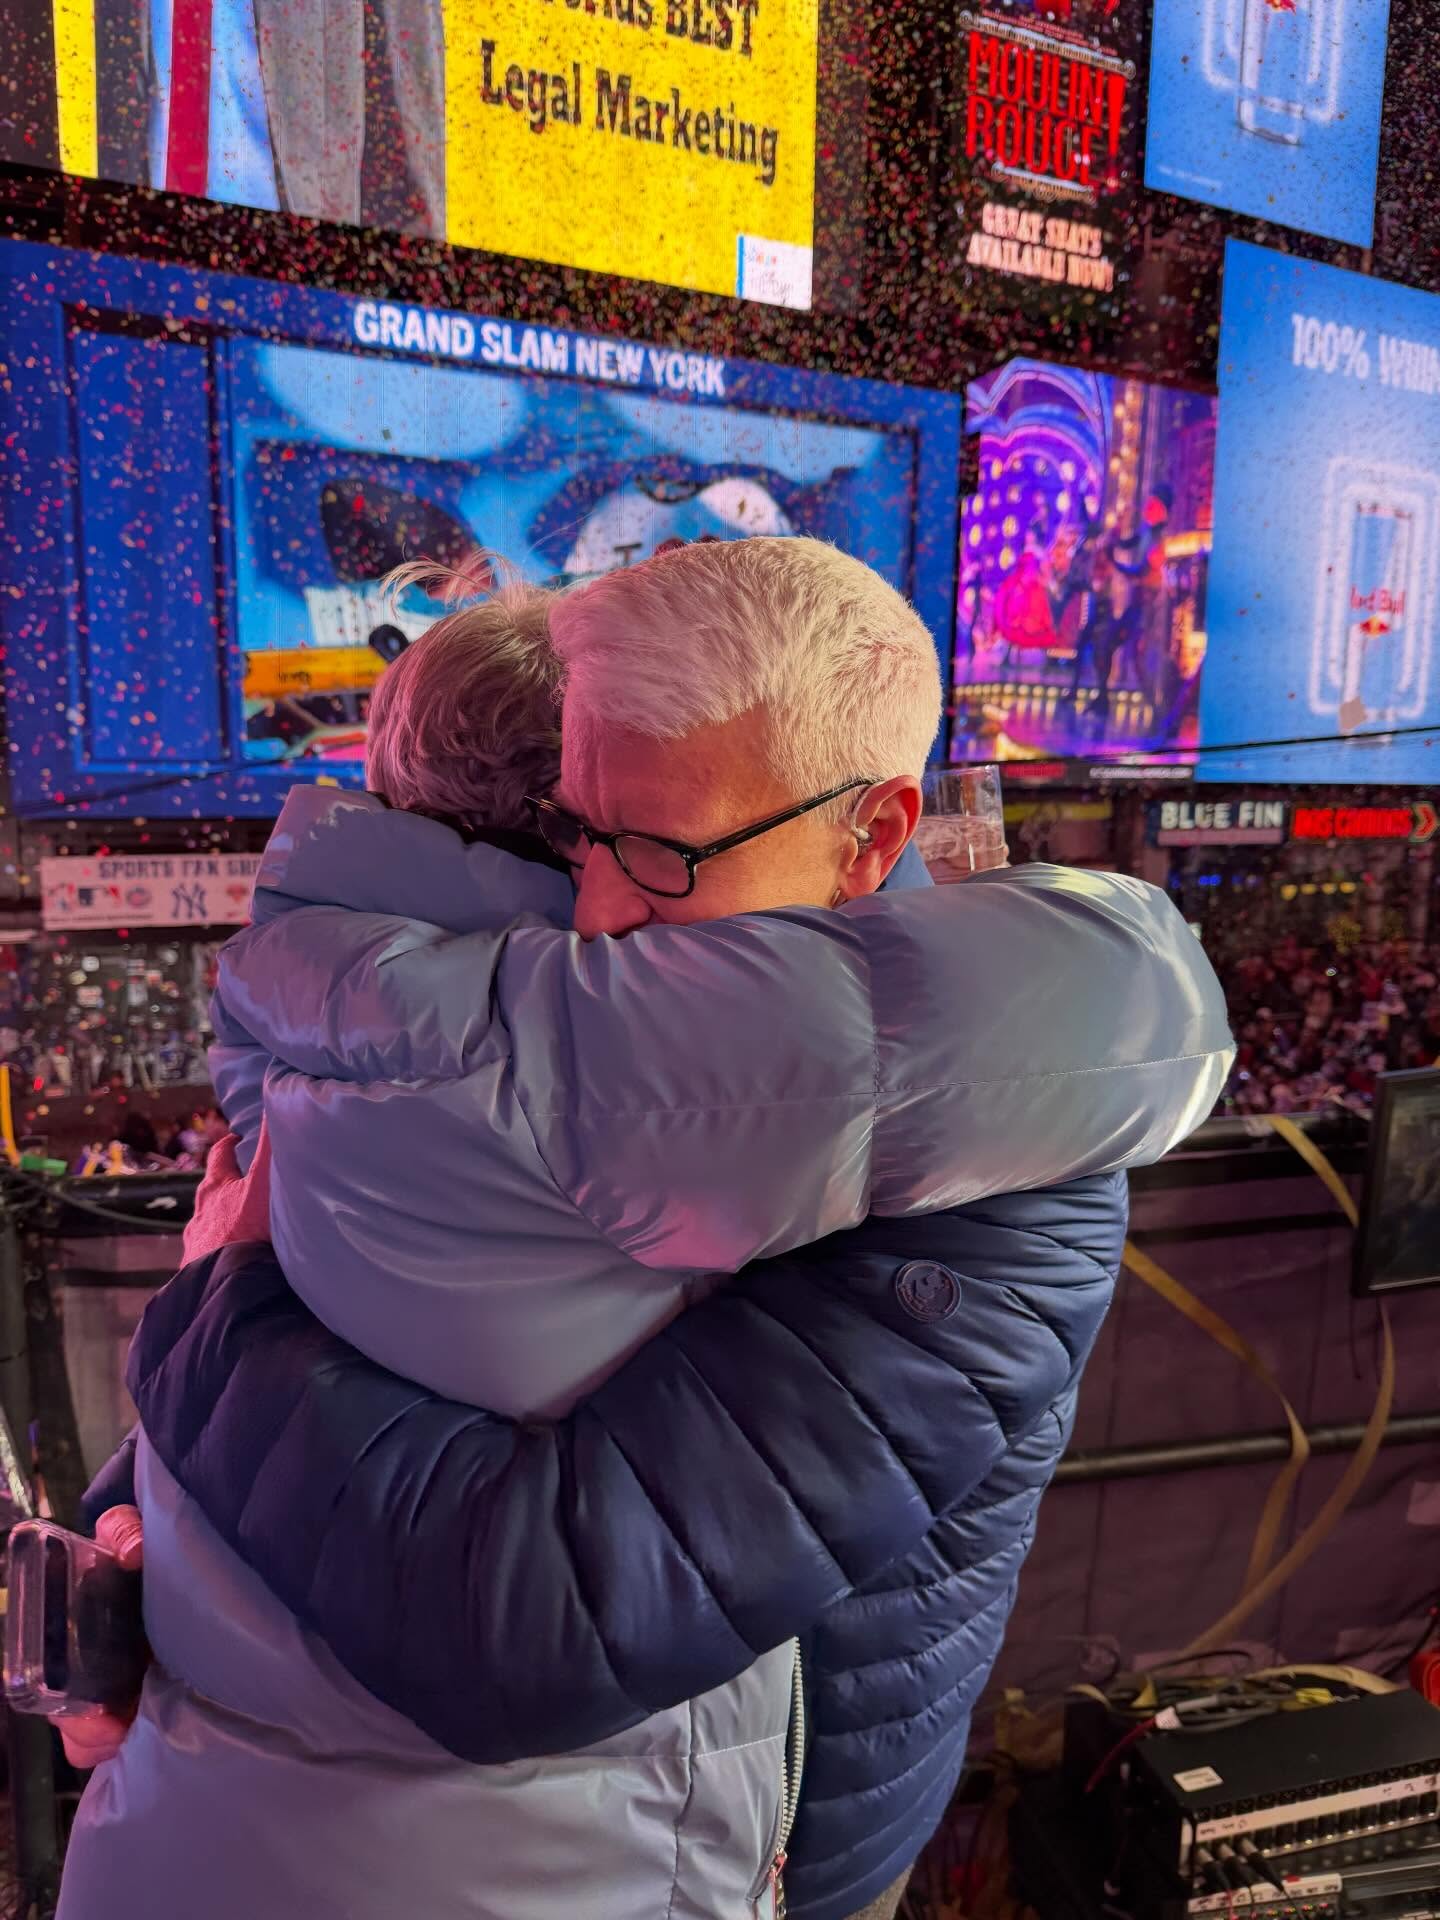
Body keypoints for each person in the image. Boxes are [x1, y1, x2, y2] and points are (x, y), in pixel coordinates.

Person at [65, 539, 1232, 1920]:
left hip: (757, 1851)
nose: (611, 910)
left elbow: (531, 1623)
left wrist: (212, 1314)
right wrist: (128, 1539)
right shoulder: (414, 1051)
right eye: (587, 837)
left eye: (653, 851)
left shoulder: (970, 1157)